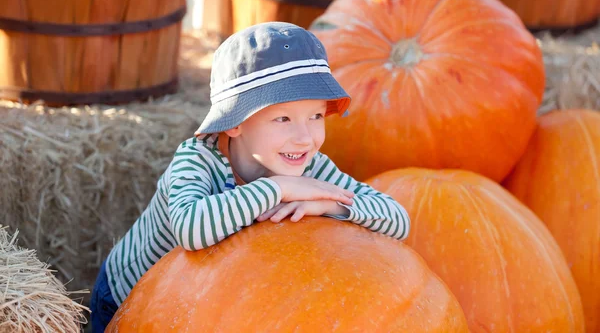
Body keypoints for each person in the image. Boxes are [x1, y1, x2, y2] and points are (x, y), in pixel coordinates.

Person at [89, 22, 410, 332]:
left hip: (206, 301)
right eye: (282, 118)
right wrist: (280, 187)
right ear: (234, 123)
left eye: (315, 116)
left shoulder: (310, 166)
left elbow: (398, 220)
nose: (304, 137)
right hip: (130, 299)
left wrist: (331, 206)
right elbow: (191, 228)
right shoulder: (197, 159)